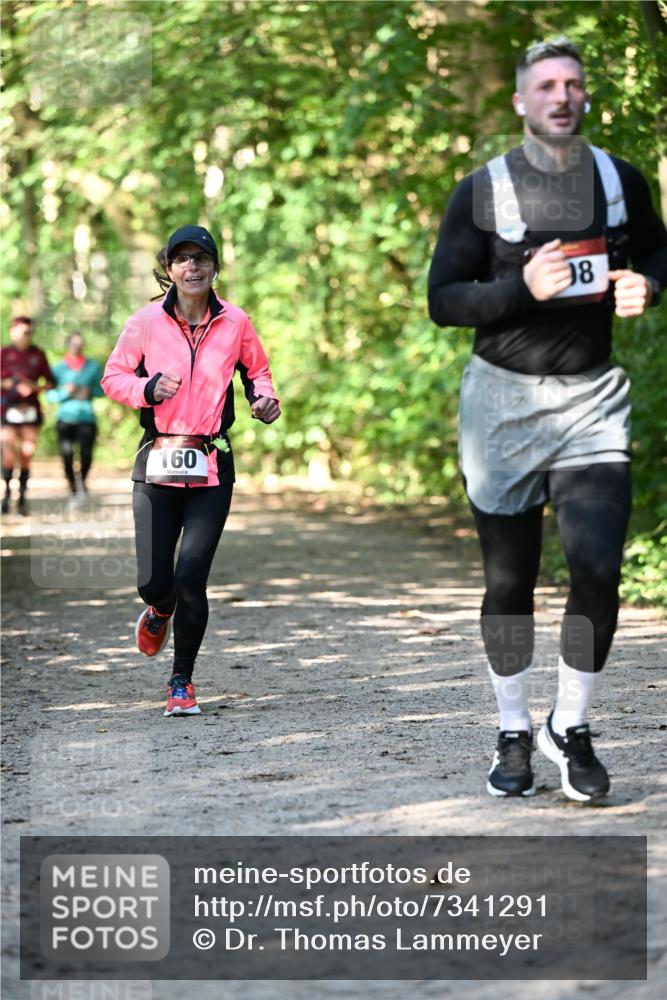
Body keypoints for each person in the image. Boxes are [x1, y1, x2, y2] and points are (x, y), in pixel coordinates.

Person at [428, 38, 666, 802]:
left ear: (583, 98)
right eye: (546, 86)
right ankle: (509, 728)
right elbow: (444, 300)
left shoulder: (616, 181)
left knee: (597, 565)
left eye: (572, 85)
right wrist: (521, 288)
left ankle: (570, 723)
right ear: (521, 102)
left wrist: (647, 287)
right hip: (500, 405)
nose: (560, 97)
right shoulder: (482, 191)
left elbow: (661, 253)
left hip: (591, 400)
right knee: (509, 582)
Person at [102, 225, 280, 717]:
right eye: (182, 259)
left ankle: (181, 682)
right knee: (156, 581)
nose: (192, 267)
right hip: (158, 457)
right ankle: (157, 610)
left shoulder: (236, 321)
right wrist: (146, 388)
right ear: (169, 269)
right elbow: (113, 376)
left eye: (201, 258)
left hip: (211, 463)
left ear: (214, 267)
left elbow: (257, 372)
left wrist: (264, 399)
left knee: (191, 576)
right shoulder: (144, 322)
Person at [1, 316, 55, 516]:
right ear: (12, 331)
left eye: (30, 332)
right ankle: (6, 494)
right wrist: (7, 384)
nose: (27, 336)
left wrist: (34, 387)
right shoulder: (4, 354)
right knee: (8, 454)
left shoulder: (38, 354)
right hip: (7, 409)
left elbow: (50, 382)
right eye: (23, 332)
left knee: (27, 453)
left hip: (30, 409)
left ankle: (22, 497)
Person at [47, 332, 104, 499]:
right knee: (67, 455)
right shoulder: (57, 368)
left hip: (87, 417)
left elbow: (102, 390)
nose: (77, 348)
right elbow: (50, 396)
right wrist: (66, 392)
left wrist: (90, 391)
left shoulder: (93, 366)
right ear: (68, 345)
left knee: (86, 454)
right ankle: (71, 483)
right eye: (74, 345)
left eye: (80, 345)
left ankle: (83, 481)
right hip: (65, 418)